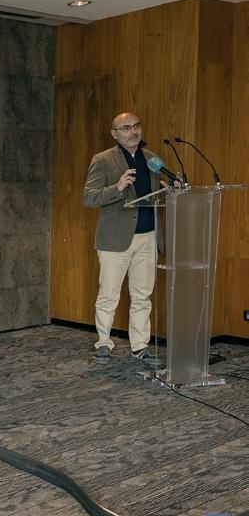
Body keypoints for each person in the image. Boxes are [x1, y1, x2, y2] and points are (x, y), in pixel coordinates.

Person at [83, 112, 163, 366]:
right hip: (115, 239)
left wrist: (171, 188)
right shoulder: (103, 160)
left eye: (137, 126)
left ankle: (140, 346)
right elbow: (89, 197)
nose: (133, 131)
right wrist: (117, 188)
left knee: (142, 295)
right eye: (126, 128)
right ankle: (103, 344)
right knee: (109, 295)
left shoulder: (152, 159)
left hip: (147, 235)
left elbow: (156, 193)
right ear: (114, 134)